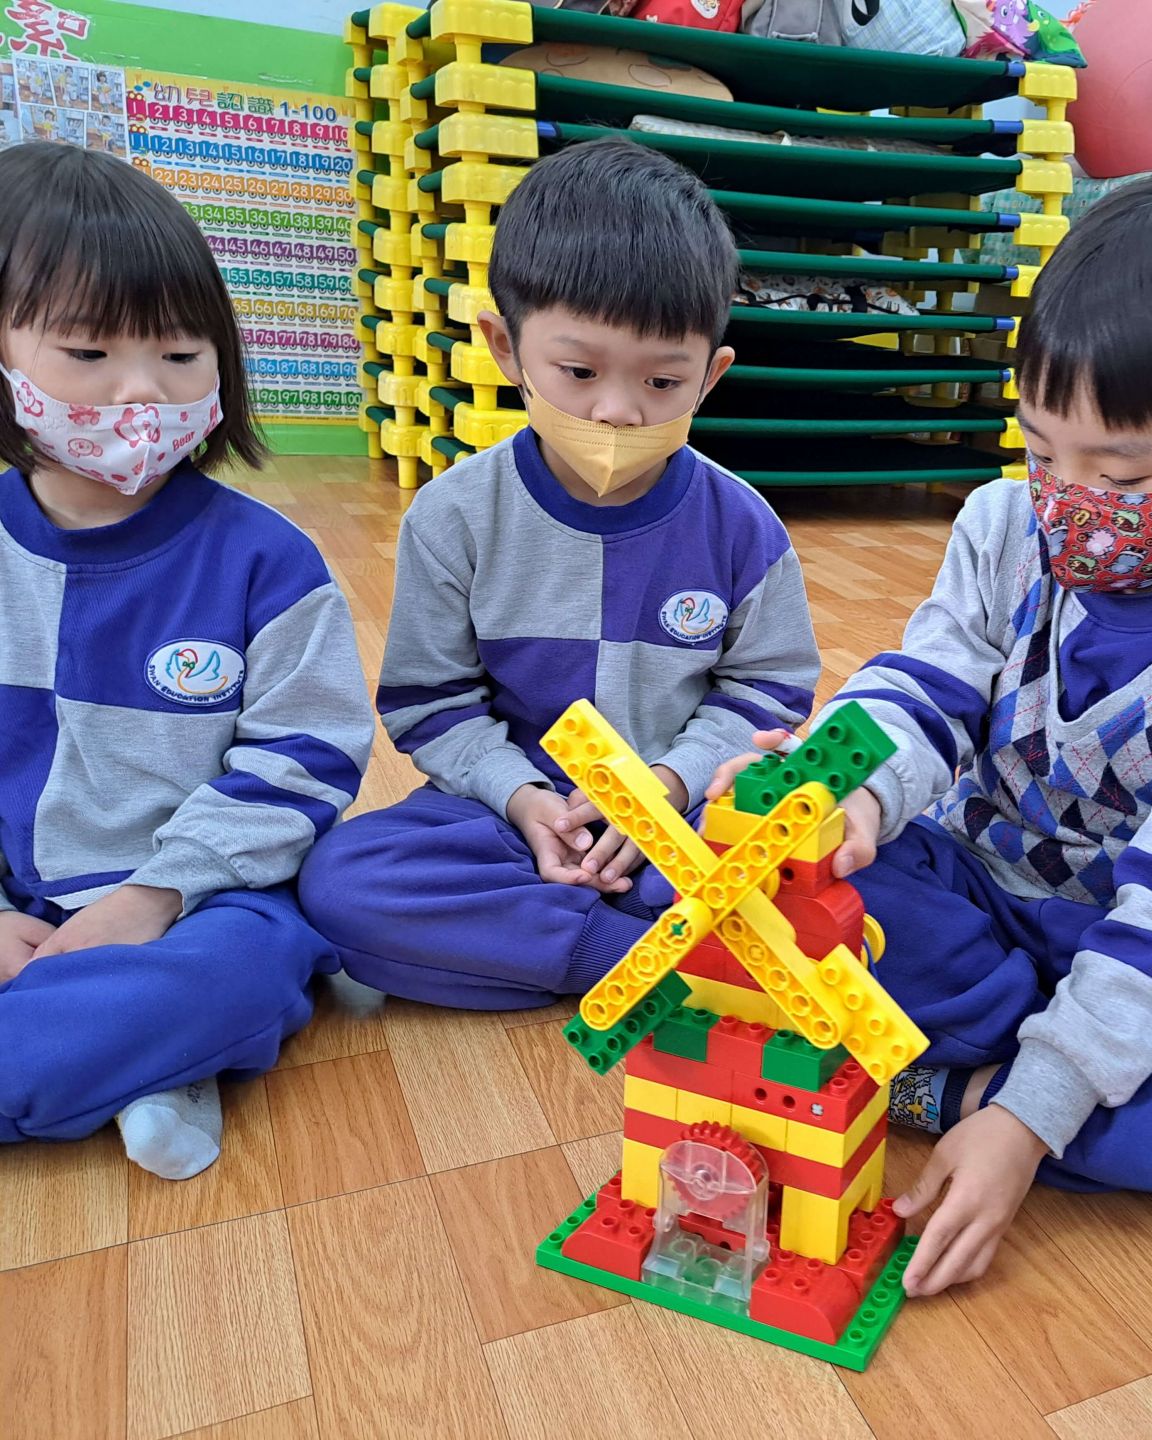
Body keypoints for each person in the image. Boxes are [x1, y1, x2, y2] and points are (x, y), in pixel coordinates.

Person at [709, 175, 1152, 1297]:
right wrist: (840, 787)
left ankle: (950, 1094)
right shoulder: (1000, 528)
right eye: (1041, 449)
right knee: (761, 862)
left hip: (1136, 934)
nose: (1067, 496)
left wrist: (1025, 1118)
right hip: (965, 887)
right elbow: (921, 690)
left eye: (1120, 473)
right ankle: (1040, 1076)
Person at [299, 139, 819, 1010]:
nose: (617, 411)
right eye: (578, 373)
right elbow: (433, 703)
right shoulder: (455, 516)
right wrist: (522, 799)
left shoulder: (742, 524)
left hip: (682, 812)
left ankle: (563, 941)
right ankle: (643, 953)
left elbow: (768, 693)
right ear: (505, 347)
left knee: (816, 842)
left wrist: (670, 785)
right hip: (512, 816)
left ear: (711, 375)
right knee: (343, 880)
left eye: (663, 381)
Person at [0, 143, 371, 1179]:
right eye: (86, 352)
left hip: (207, 896)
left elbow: (305, 759)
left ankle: (118, 1041)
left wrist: (152, 897)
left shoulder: (269, 560)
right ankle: (139, 1057)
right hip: (23, 896)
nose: (141, 392)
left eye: (178, 352)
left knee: (252, 964)